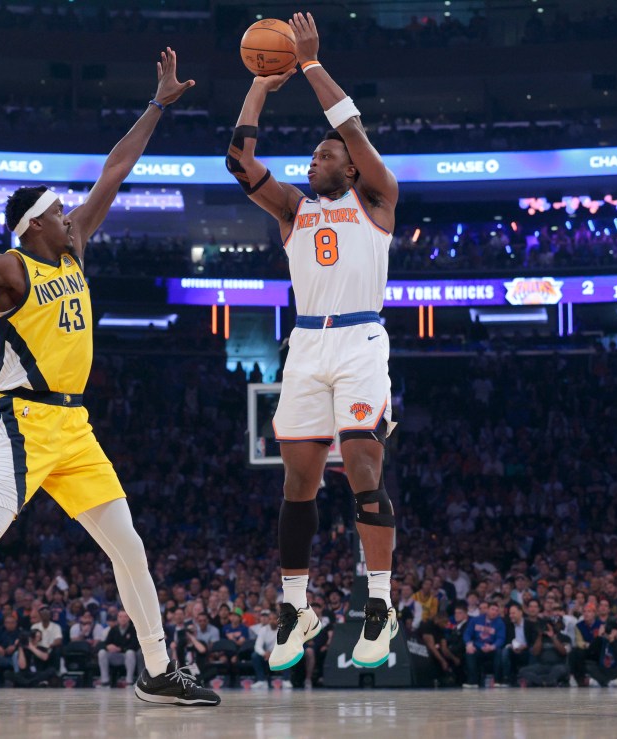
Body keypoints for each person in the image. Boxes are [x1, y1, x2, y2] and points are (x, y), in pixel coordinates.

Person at [0, 48, 217, 710]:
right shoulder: (10, 268)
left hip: (74, 427)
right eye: (60, 211)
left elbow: (117, 168)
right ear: (34, 225)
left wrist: (158, 104)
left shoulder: (74, 246)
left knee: (130, 547)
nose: (73, 214)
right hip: (22, 423)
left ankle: (157, 668)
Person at [226, 11, 400, 673]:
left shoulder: (377, 198)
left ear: (350, 168)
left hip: (359, 341)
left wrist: (309, 64)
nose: (315, 158)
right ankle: (297, 606)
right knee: (298, 483)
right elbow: (238, 161)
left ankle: (379, 604)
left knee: (361, 466)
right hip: (305, 345)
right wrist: (261, 87)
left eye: (325, 154)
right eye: (314, 154)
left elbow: (351, 126)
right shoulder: (295, 209)